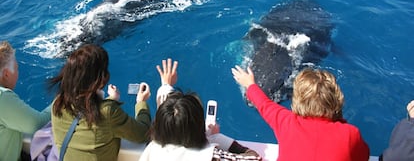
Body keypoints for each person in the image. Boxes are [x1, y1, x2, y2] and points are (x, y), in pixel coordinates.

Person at [232, 66, 370, 161]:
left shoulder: (286, 122)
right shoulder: (350, 134)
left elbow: (264, 104)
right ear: (337, 99)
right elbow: (364, 156)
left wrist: (250, 84)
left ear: (297, 99)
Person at [139, 58, 262, 161]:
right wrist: (215, 138)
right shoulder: (212, 157)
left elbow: (168, 115)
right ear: (199, 128)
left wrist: (166, 86)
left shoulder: (152, 148)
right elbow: (255, 158)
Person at [48, 44, 151, 161]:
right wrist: (141, 103)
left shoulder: (57, 103)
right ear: (101, 78)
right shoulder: (108, 112)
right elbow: (142, 134)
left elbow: (84, 113)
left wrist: (111, 99)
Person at [0, 41, 51, 161]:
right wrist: (61, 100)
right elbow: (37, 124)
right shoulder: (3, 97)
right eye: (16, 69)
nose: (18, 73)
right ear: (6, 74)